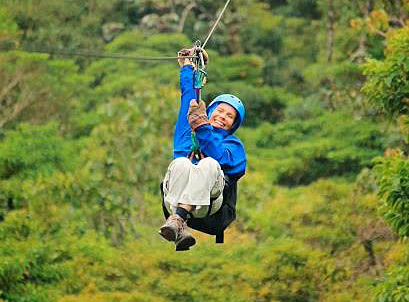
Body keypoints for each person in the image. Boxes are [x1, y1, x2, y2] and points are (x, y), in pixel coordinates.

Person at [159, 48, 247, 251]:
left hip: (208, 205)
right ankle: (179, 220)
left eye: (229, 116)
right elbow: (188, 95)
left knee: (208, 163)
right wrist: (188, 66)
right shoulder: (188, 127)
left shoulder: (233, 146)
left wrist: (202, 127)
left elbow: (222, 160)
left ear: (233, 124)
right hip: (174, 197)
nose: (223, 116)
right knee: (181, 162)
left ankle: (179, 218)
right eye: (220, 111)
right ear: (210, 110)